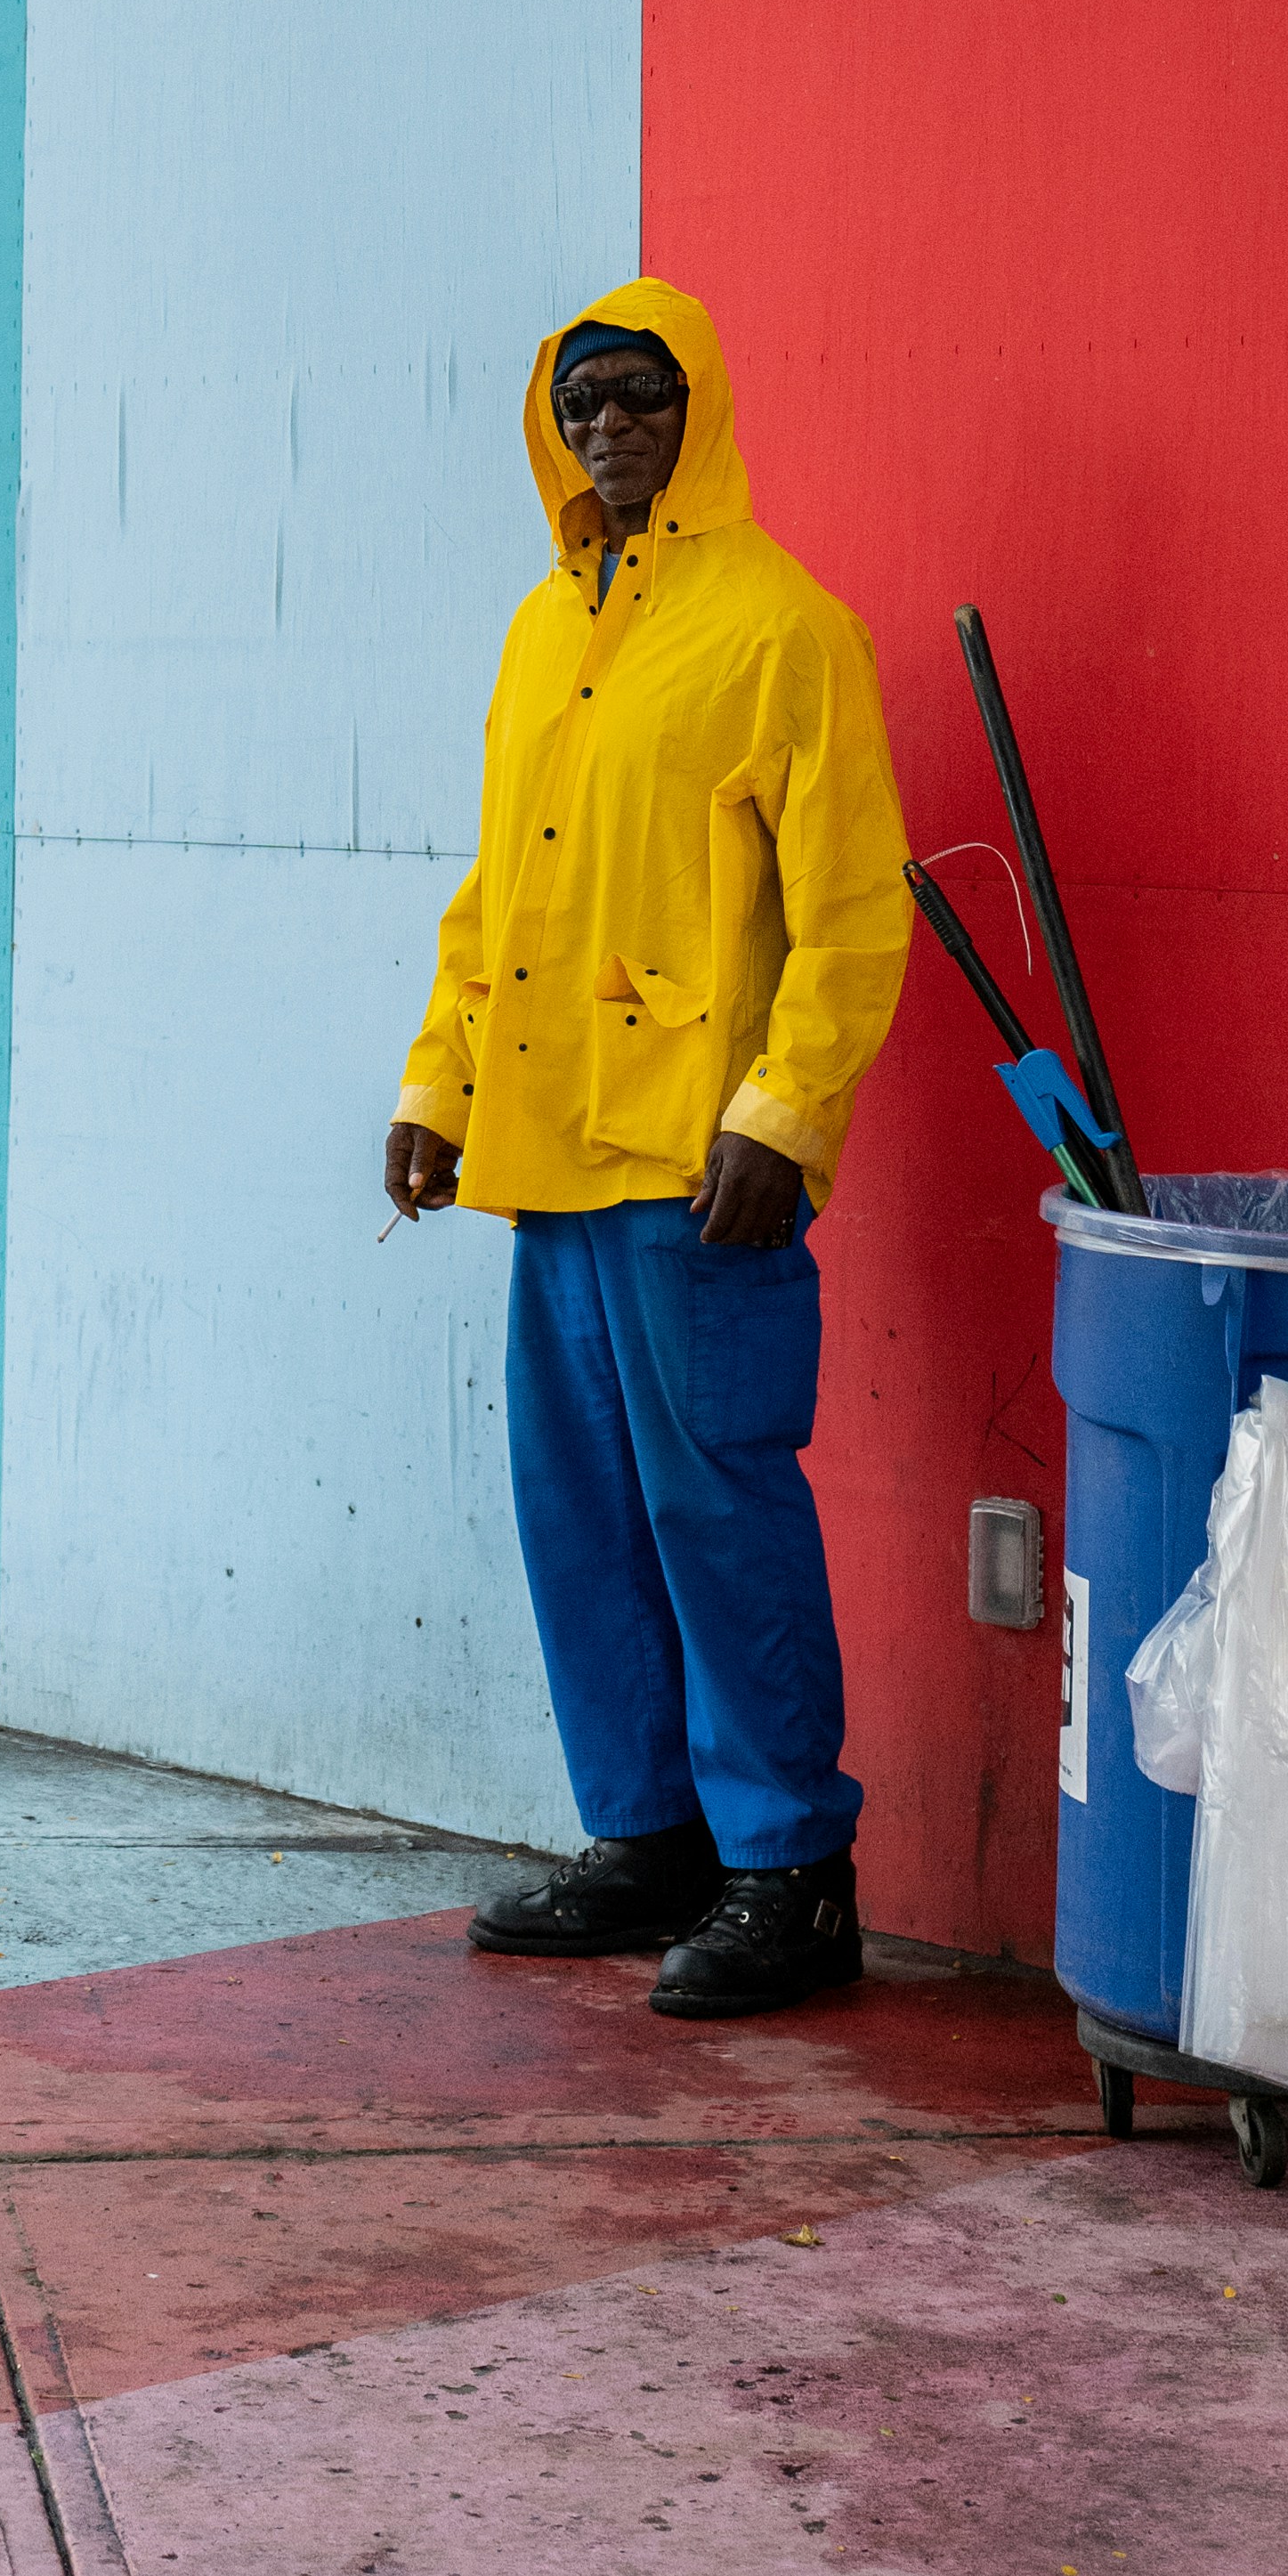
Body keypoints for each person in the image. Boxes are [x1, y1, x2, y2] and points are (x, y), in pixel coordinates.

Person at [385, 279, 911, 2017]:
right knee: (581, 1513)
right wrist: (437, 1088)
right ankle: (645, 1840)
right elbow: (498, 896)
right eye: (584, 402)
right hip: (549, 1160)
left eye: (643, 399)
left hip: (699, 1173)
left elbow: (846, 920)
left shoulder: (781, 631)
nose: (611, 429)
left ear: (701, 420)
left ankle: (788, 1873)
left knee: (719, 1505)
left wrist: (784, 1114)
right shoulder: (541, 633)